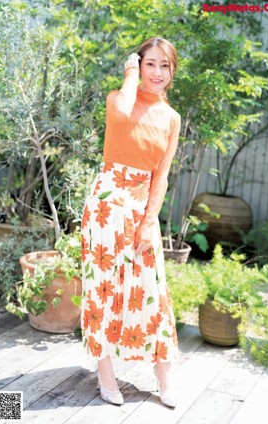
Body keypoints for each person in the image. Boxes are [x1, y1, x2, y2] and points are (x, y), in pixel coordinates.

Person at [81, 37, 181, 408]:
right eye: (149, 64)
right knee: (103, 288)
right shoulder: (117, 98)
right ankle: (105, 371)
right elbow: (123, 111)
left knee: (151, 291)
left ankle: (163, 374)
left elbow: (163, 175)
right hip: (107, 204)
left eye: (164, 66)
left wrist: (149, 220)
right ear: (139, 65)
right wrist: (129, 72)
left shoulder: (172, 118)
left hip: (142, 206)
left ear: (172, 71)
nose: (156, 73)